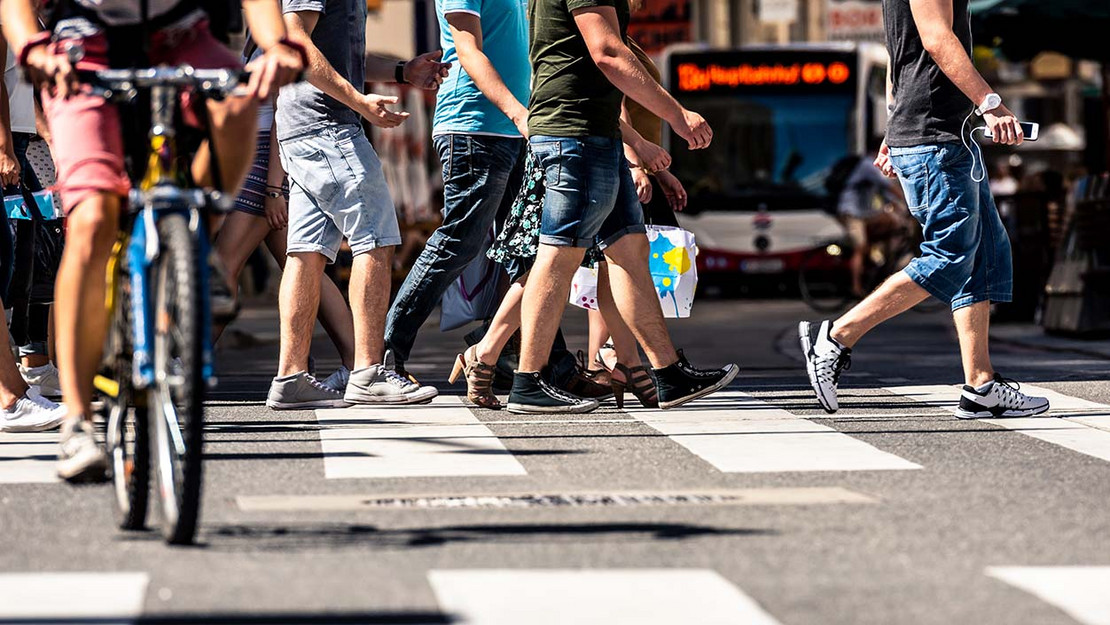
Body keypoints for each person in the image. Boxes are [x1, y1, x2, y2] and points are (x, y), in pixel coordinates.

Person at [3, 0, 306, 481]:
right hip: (85, 46)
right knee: (94, 216)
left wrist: (277, 45)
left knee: (238, 97)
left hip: (181, 35)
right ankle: (79, 422)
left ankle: (196, 247)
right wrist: (32, 46)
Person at [799, 0, 1049, 419]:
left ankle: (981, 385)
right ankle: (837, 335)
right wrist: (990, 102)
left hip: (944, 135)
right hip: (936, 137)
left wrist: (892, 130)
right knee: (949, 257)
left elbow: (900, 59)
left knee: (985, 255)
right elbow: (935, 39)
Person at [508, 0, 738, 414]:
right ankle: (528, 381)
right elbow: (608, 52)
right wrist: (677, 115)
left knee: (630, 251)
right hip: (574, 135)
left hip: (597, 133)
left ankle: (667, 374)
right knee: (560, 251)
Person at [216, 36, 448, 392]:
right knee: (312, 256)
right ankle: (354, 366)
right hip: (270, 149)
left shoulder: (273, 22)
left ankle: (331, 368)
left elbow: (325, 68)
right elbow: (303, 64)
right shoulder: (270, 21)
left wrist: (275, 186)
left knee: (290, 257)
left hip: (269, 153)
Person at [267, 0, 438, 409]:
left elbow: (342, 58)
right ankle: (367, 371)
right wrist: (358, 102)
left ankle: (290, 378)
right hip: (328, 126)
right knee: (376, 239)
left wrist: (401, 72)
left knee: (306, 253)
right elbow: (297, 41)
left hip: (310, 126)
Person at [1, 23, 60, 398]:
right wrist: (5, 147)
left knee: (35, 253)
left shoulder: (30, 21)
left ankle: (33, 363)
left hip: (23, 143)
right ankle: (27, 363)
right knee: (19, 256)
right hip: (18, 146)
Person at [828, 141, 901, 298]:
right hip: (851, 211)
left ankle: (877, 258)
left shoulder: (871, 167)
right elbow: (888, 187)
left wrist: (898, 205)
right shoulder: (869, 164)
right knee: (860, 247)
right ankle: (856, 287)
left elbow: (884, 193)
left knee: (892, 223)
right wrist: (907, 201)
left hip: (865, 212)